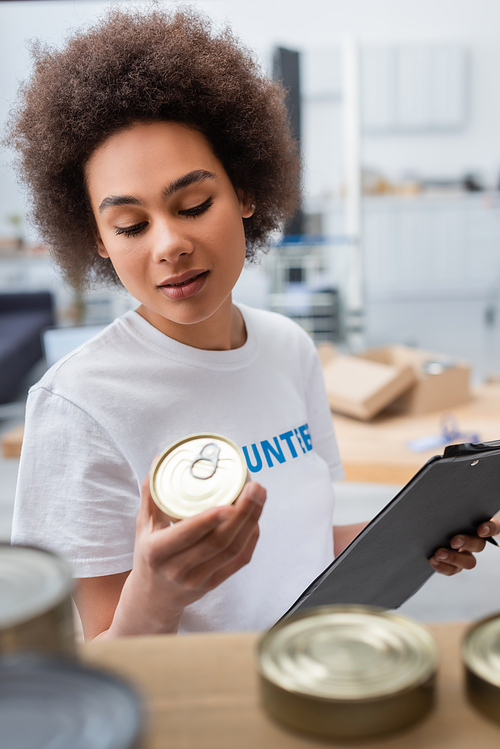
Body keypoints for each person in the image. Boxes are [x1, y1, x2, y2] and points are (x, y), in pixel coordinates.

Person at [8, 7, 498, 640]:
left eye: (193, 204)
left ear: (244, 193)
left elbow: (296, 549)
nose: (168, 245)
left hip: (306, 670)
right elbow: (101, 669)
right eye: (130, 225)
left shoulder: (289, 350)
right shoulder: (78, 405)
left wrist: (417, 535)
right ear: (98, 240)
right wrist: (157, 595)